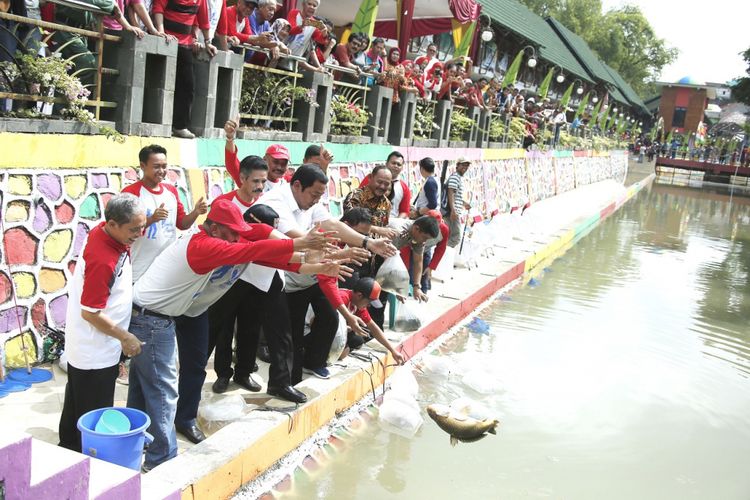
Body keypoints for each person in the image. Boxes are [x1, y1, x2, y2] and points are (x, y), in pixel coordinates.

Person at [128, 199, 340, 470]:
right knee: (162, 390)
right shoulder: (203, 245)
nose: (237, 237)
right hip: (151, 318)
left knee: (145, 384)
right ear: (214, 228)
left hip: (163, 313)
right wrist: (299, 243)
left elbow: (267, 250)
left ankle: (139, 438)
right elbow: (256, 248)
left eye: (242, 231)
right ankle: (161, 461)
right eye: (231, 232)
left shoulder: (228, 238)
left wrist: (320, 263)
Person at [256, 164, 397, 381]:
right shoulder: (276, 203)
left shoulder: (310, 201)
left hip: (306, 271)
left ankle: (300, 373)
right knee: (285, 334)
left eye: (320, 195)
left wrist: (369, 243)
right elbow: (299, 245)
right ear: (296, 185)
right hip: (278, 274)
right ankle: (282, 381)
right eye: (314, 194)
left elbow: (331, 224)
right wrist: (339, 255)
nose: (316, 200)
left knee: (328, 320)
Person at [58, 194, 146, 452]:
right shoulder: (104, 259)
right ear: (113, 224)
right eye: (133, 229)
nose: (139, 234)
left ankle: (68, 447)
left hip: (85, 345)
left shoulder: (104, 232)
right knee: (92, 412)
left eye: (141, 227)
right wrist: (125, 337)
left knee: (75, 401)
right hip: (95, 350)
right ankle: (88, 459)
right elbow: (91, 313)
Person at [208, 204, 307, 403]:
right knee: (224, 329)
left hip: (266, 284)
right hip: (235, 281)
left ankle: (252, 375)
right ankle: (223, 374)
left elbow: (289, 260)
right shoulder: (240, 241)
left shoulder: (271, 249)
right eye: (272, 230)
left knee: (254, 329)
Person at [122, 144, 207, 282]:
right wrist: (151, 219)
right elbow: (124, 230)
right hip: (139, 269)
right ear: (143, 166)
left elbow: (182, 224)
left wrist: (196, 212)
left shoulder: (171, 192)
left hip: (166, 267)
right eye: (156, 166)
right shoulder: (130, 193)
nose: (161, 171)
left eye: (164, 166)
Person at [153, 0, 217, 139]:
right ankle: (156, 122)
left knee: (187, 85)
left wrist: (208, 42)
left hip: (185, 45)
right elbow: (158, 8)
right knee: (159, 82)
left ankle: (180, 126)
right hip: (166, 40)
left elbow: (204, 20)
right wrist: (160, 31)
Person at [318, 276, 405, 363]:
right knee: (343, 353)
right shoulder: (343, 298)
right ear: (359, 295)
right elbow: (321, 320)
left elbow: (373, 327)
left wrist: (393, 351)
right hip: (315, 329)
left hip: (333, 331)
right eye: (369, 302)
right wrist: (344, 328)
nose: (369, 306)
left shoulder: (357, 303)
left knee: (358, 341)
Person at [223, 119, 289, 193]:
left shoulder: (290, 185)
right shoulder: (250, 180)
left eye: (284, 163)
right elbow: (232, 163)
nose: (279, 167)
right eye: (275, 162)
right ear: (264, 160)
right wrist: (230, 137)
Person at [343, 165, 396, 237]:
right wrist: (377, 229)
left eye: (386, 184)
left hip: (376, 246)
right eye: (379, 182)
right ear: (370, 178)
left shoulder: (386, 204)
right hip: (354, 244)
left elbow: (383, 228)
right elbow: (351, 223)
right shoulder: (356, 196)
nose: (382, 186)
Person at [360, 152, 410, 219]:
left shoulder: (404, 188)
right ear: (386, 163)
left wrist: (396, 223)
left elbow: (404, 211)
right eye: (393, 163)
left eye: (399, 164)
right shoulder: (371, 179)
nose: (396, 166)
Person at [441, 157, 471, 248]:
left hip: (453, 211)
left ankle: (442, 254)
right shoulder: (455, 177)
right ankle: (442, 252)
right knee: (456, 237)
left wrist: (464, 203)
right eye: (463, 165)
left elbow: (455, 195)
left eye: (467, 166)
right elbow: (451, 192)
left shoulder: (458, 177)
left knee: (448, 236)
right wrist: (453, 211)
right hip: (452, 212)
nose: (465, 167)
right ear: (457, 166)